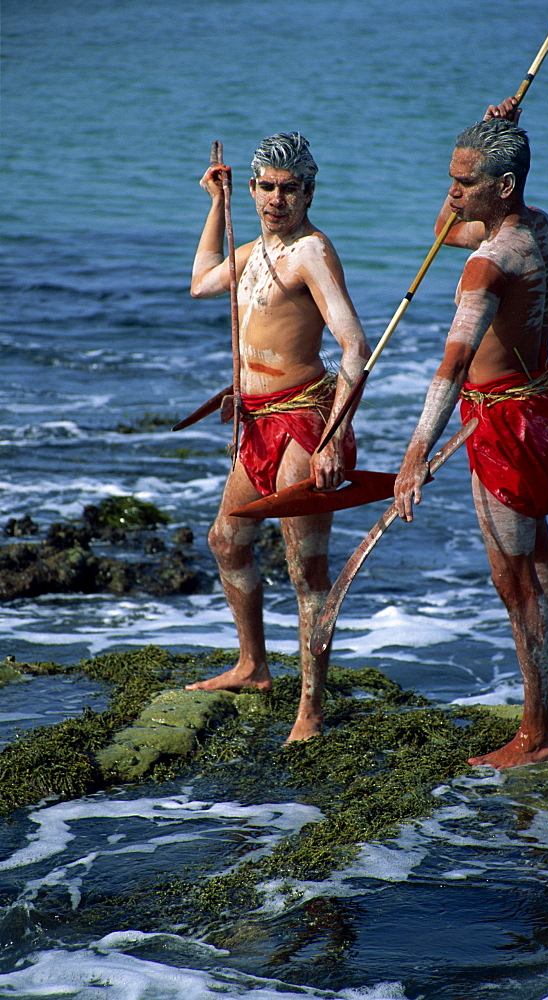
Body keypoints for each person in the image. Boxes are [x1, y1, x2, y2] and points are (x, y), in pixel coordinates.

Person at [394, 98, 548, 769]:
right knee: (534, 544)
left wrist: (415, 453)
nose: (451, 190)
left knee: (512, 579)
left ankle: (537, 733)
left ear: (500, 186)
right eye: (450, 176)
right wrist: (492, 128)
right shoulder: (535, 227)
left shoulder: (488, 266)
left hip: (503, 423)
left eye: (465, 180)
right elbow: (445, 229)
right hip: (547, 408)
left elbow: (451, 362)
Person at [185, 132, 370, 742]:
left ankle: (311, 710)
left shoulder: (311, 253)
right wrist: (219, 203)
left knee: (305, 569)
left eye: (289, 189)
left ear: (309, 192)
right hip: (257, 421)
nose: (275, 199)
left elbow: (354, 348)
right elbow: (202, 283)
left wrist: (331, 440)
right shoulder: (254, 249)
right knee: (226, 540)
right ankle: (253, 665)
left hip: (301, 422)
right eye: (266, 186)